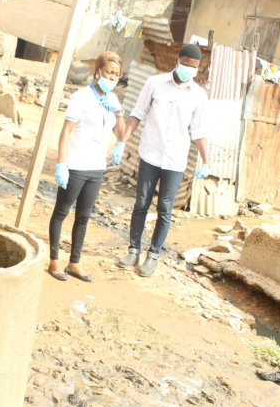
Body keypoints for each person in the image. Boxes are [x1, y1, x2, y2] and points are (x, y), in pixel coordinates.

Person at [117, 43, 210, 277]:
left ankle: (153, 255)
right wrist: (122, 142)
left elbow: (198, 131)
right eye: (186, 65)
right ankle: (133, 250)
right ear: (177, 61)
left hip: (175, 160)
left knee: (165, 208)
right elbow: (137, 113)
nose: (190, 70)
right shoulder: (154, 83)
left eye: (195, 67)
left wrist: (206, 161)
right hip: (150, 154)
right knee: (141, 203)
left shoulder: (199, 95)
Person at [46, 52, 127, 282]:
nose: (112, 77)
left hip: (96, 167)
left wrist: (118, 112)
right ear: (98, 71)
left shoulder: (113, 100)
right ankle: (54, 260)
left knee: (83, 216)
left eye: (117, 74)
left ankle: (75, 262)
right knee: (61, 212)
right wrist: (62, 164)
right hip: (76, 165)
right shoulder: (81, 97)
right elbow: (66, 132)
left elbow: (120, 134)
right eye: (109, 72)